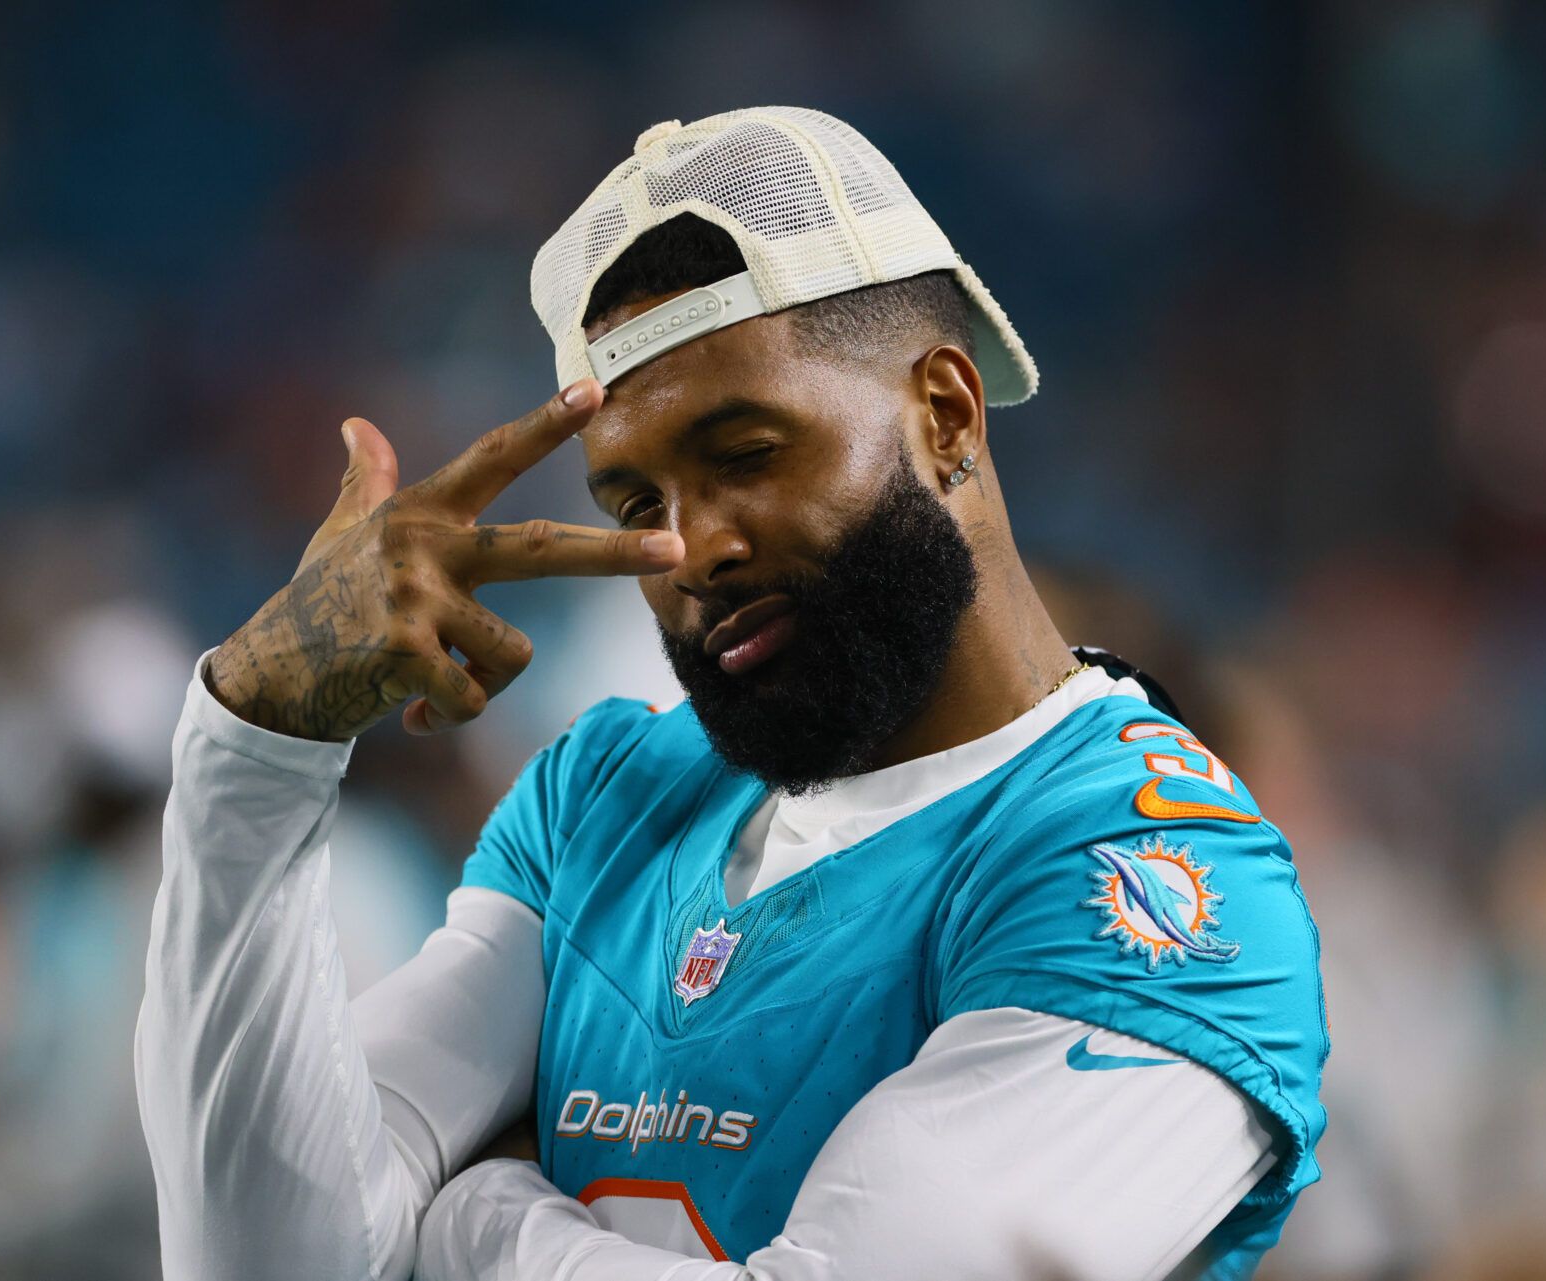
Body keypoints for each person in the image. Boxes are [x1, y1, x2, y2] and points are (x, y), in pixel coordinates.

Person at [135, 106, 1326, 1281]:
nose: (691, 551)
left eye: (747, 455)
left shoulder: (1157, 884)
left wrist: (474, 1215)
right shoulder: (604, 797)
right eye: (637, 505)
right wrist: (256, 746)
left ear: (946, 413)